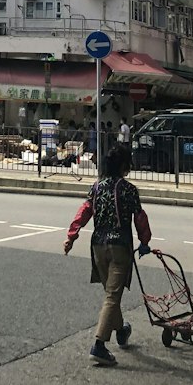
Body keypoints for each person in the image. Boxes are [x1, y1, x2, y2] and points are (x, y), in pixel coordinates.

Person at [63, 144, 153, 367]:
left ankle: (121, 331)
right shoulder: (129, 190)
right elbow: (140, 218)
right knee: (112, 296)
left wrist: (71, 237)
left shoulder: (96, 187)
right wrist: (144, 241)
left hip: (98, 247)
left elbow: (84, 212)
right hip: (120, 246)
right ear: (124, 165)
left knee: (111, 294)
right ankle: (99, 345)